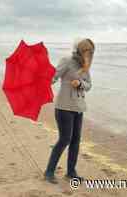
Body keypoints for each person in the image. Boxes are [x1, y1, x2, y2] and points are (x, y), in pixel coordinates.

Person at [44, 38, 95, 184]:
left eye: (90, 51)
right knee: (64, 139)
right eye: (85, 50)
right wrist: (44, 79)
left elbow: (89, 85)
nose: (88, 54)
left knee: (75, 140)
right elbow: (53, 77)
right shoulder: (67, 61)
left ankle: (71, 172)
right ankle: (49, 171)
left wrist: (80, 83)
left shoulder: (85, 66)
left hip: (78, 108)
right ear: (79, 49)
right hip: (64, 107)